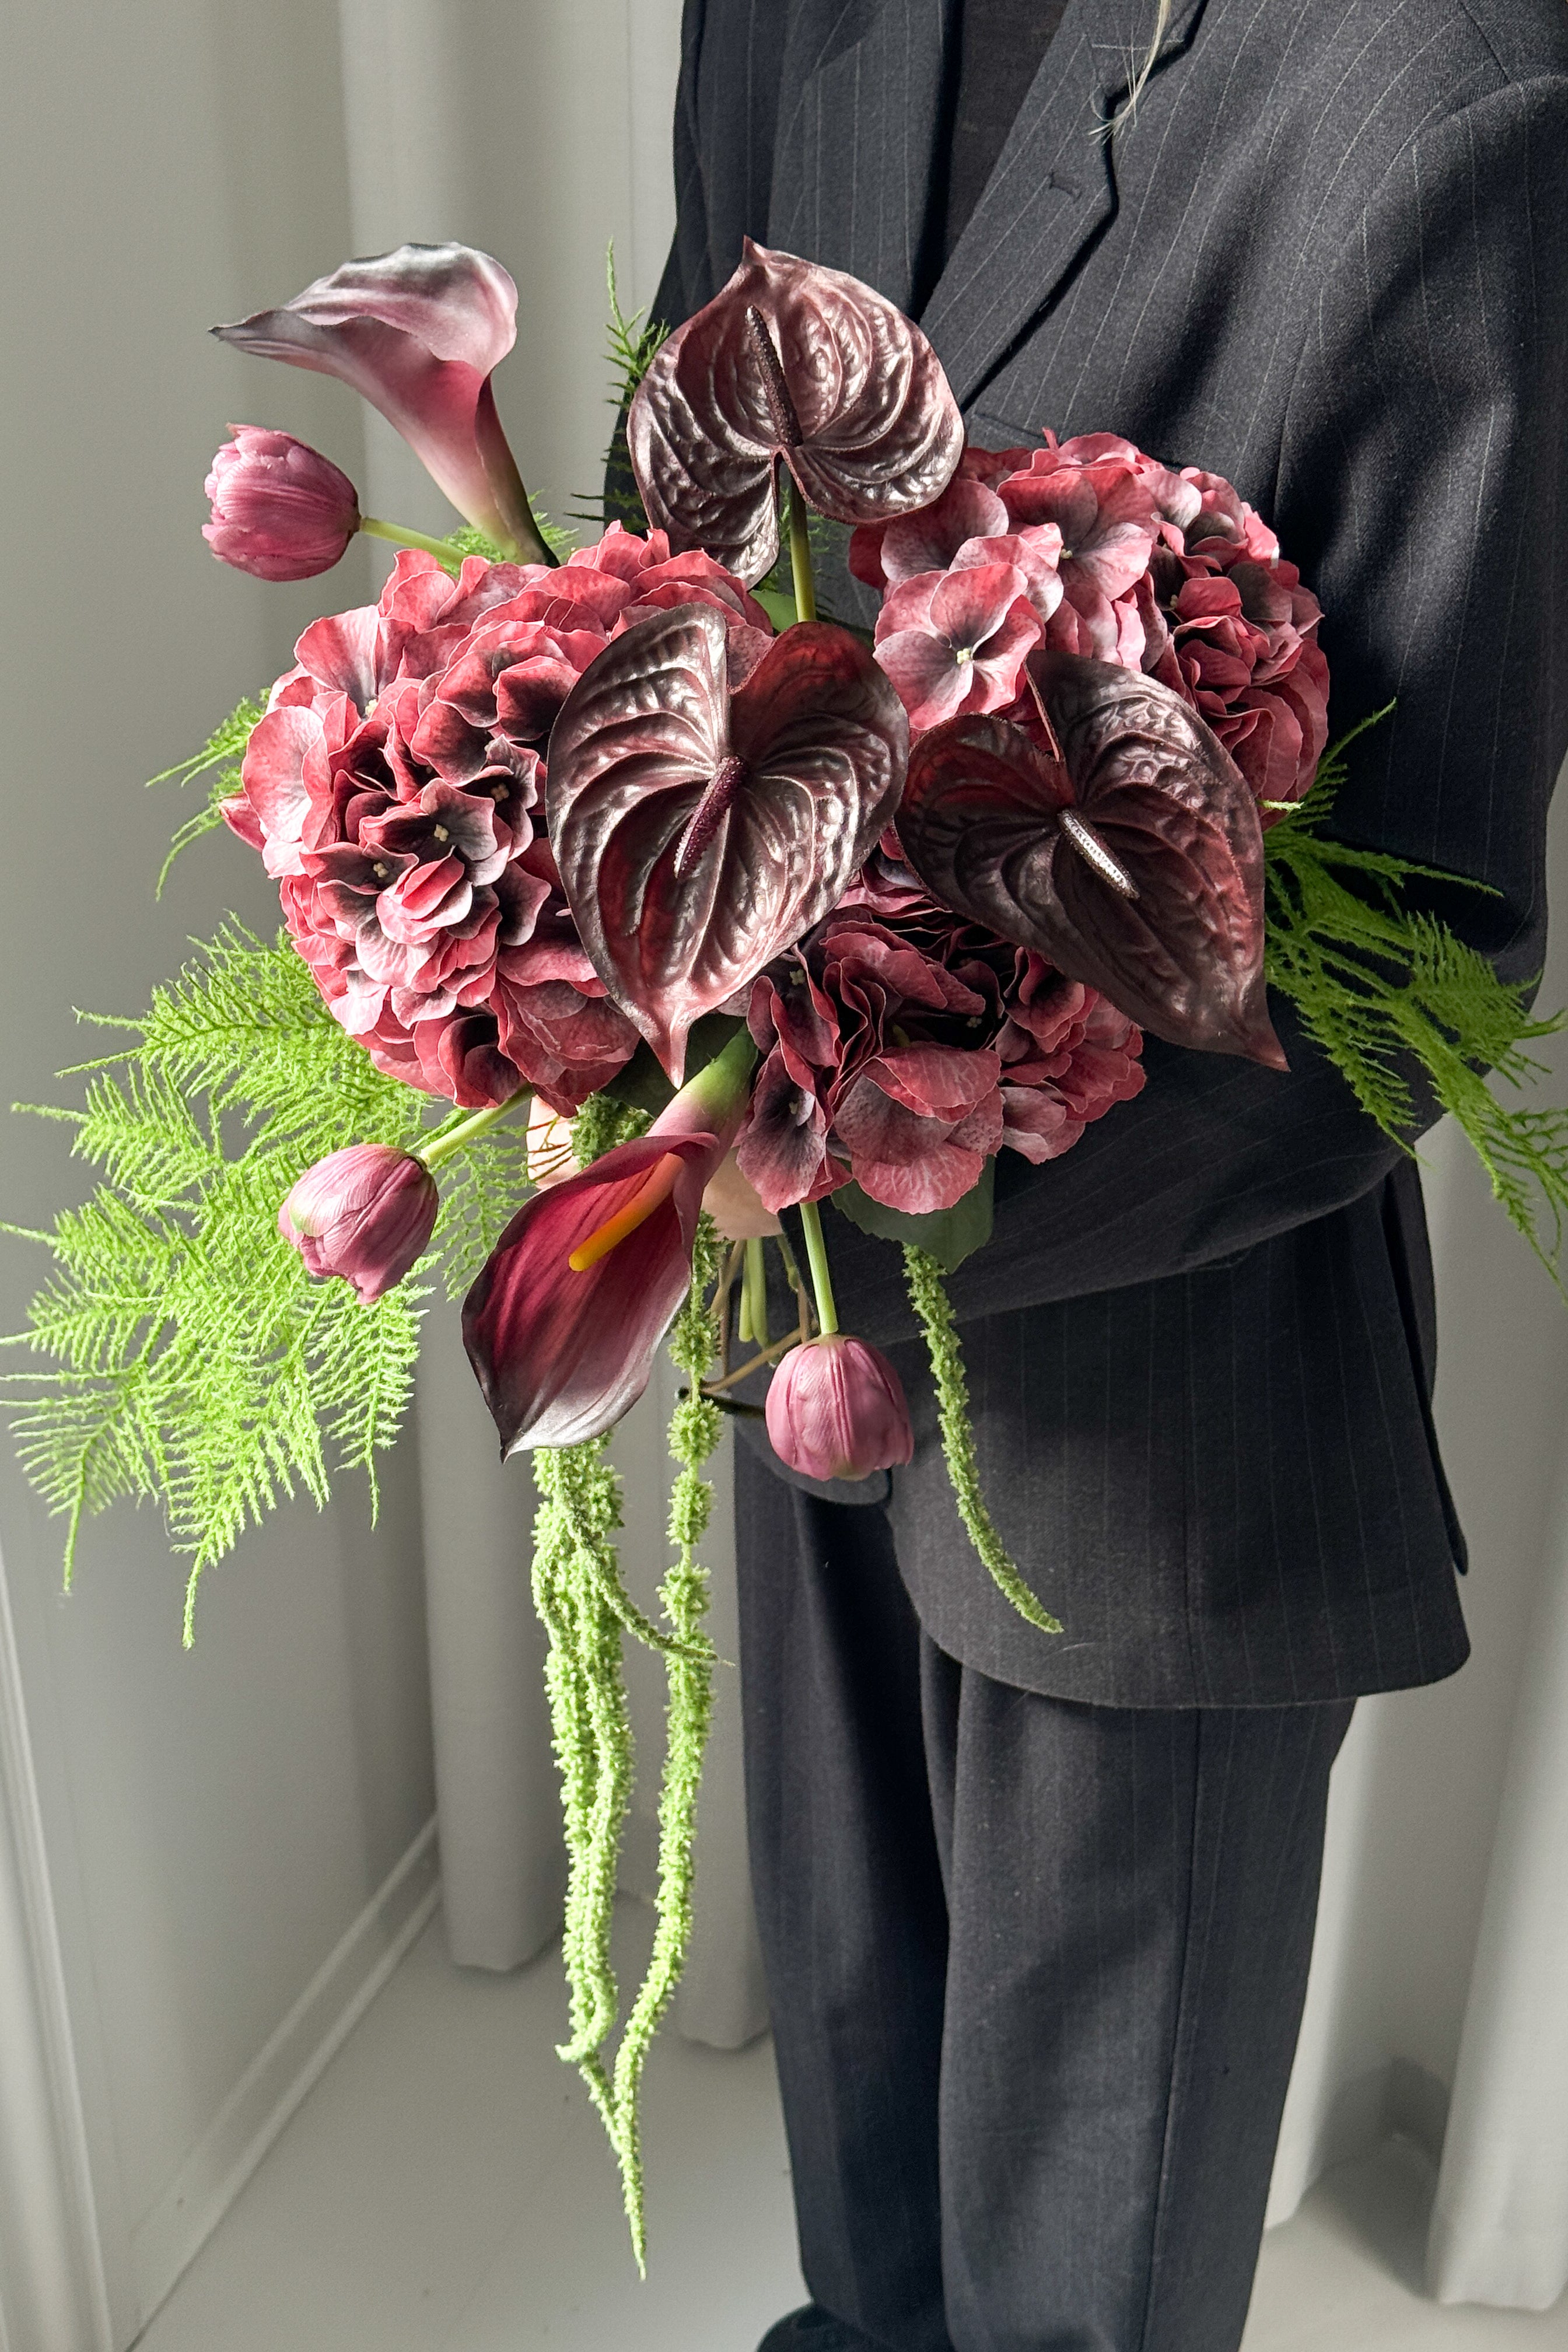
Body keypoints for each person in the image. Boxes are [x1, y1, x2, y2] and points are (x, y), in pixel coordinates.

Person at [646, 4, 1568, 2347]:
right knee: (859, 2132)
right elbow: (689, 534)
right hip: (789, 1331)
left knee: (1089, 2259)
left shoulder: (1457, 93)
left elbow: (1421, 963)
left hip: (1171, 1415)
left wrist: (875, 1168)